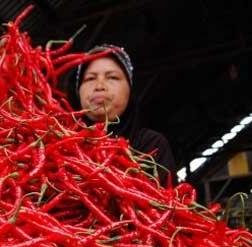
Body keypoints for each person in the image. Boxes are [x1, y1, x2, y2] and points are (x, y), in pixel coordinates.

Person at [73, 44, 176, 187]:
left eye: (112, 77)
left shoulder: (151, 145)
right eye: (90, 78)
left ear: (130, 90)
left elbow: (166, 203)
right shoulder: (60, 146)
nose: (99, 85)